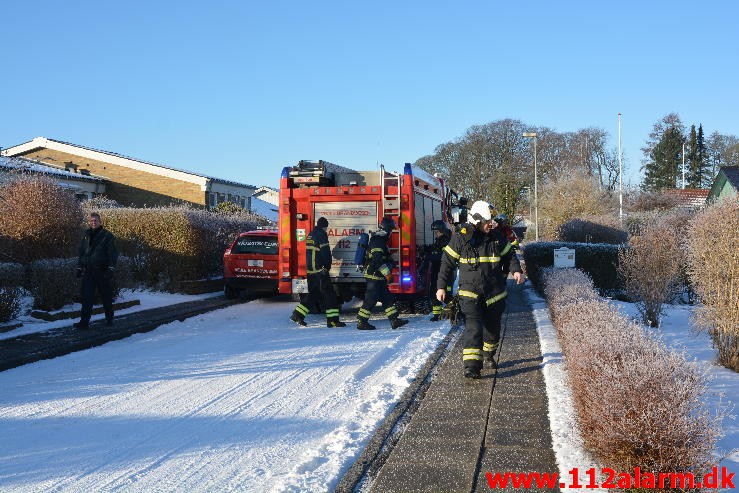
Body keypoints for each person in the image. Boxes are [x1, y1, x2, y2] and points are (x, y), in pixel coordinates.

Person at [436, 200, 524, 379]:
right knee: (473, 328)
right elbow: (446, 263)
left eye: (491, 221)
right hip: (470, 292)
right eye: (486, 221)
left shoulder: (497, 237)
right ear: (475, 220)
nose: (490, 224)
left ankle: (488, 354)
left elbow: (510, 255)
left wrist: (516, 270)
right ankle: (471, 367)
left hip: (494, 293)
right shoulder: (461, 238)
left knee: (492, 329)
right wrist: (441, 287)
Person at [290, 217, 346, 328]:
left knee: (313, 295)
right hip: (320, 272)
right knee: (330, 296)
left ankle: (297, 315)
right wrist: (327, 266)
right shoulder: (321, 235)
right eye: (326, 227)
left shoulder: (311, 234)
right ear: (324, 226)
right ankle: (333, 321)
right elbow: (325, 253)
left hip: (311, 272)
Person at [356, 217, 409, 330]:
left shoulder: (381, 239)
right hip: (374, 275)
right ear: (387, 228)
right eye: (391, 229)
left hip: (378, 276)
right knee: (370, 299)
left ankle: (394, 320)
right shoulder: (378, 240)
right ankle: (361, 322)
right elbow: (377, 260)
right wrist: (388, 274)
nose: (391, 232)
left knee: (387, 298)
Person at [74, 212, 118, 329]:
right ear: (89, 222)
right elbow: (82, 253)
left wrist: (111, 268)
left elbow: (113, 254)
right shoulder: (86, 235)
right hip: (89, 271)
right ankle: (84, 322)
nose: (93, 222)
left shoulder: (108, 236)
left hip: (102, 271)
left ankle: (109, 319)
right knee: (86, 297)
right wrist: (80, 267)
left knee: (106, 297)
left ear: (100, 222)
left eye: (96, 221)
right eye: (91, 221)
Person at [423, 220, 452, 321]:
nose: (436, 233)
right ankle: (437, 314)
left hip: (445, 272)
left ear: (442, 230)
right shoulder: (439, 240)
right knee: (433, 292)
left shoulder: (447, 241)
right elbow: (435, 249)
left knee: (447, 295)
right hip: (436, 271)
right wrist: (426, 249)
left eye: (437, 231)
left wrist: (431, 256)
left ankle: (455, 311)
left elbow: (443, 256)